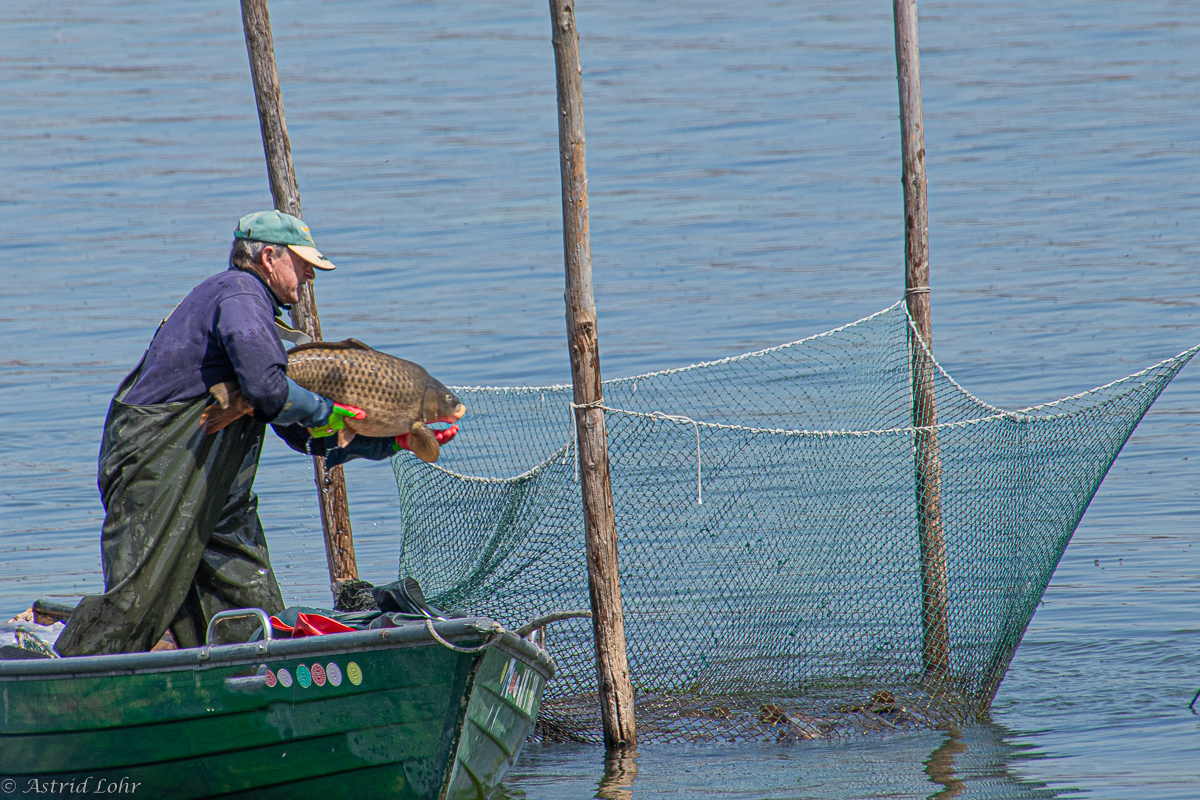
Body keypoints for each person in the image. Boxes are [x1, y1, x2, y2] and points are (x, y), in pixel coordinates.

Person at [55, 210, 452, 656]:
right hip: (160, 465)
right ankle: (62, 688)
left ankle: (257, 684)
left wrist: (392, 442)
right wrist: (325, 408)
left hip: (216, 484)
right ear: (268, 257)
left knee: (248, 603)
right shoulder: (241, 295)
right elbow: (268, 389)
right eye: (302, 266)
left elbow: (298, 430)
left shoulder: (255, 314)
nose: (307, 278)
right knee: (136, 600)